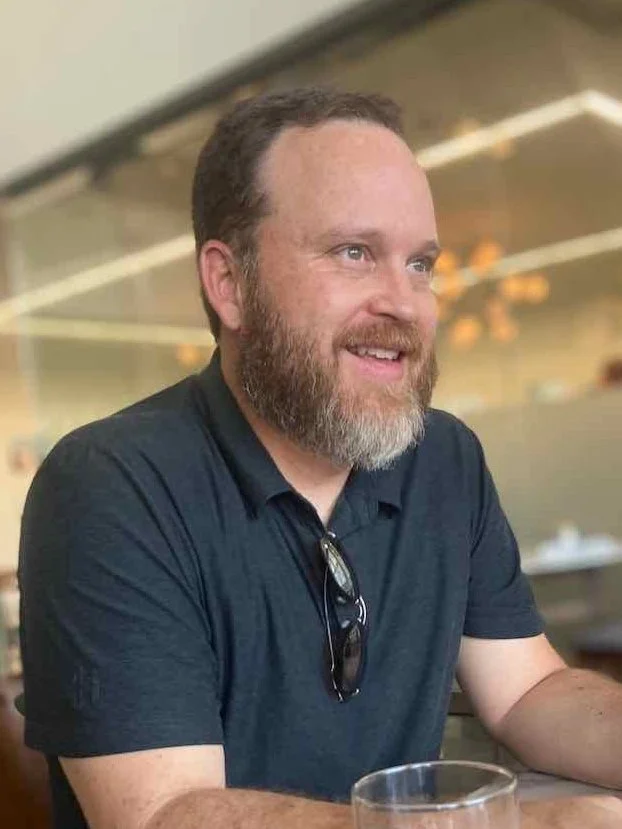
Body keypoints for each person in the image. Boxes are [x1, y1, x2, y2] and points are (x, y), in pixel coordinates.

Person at [18, 88, 622, 829]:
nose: (404, 302)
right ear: (229, 282)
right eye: (354, 252)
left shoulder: (444, 460)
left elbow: (529, 691)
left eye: (422, 263)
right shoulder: (112, 486)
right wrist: (510, 824)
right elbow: (164, 813)